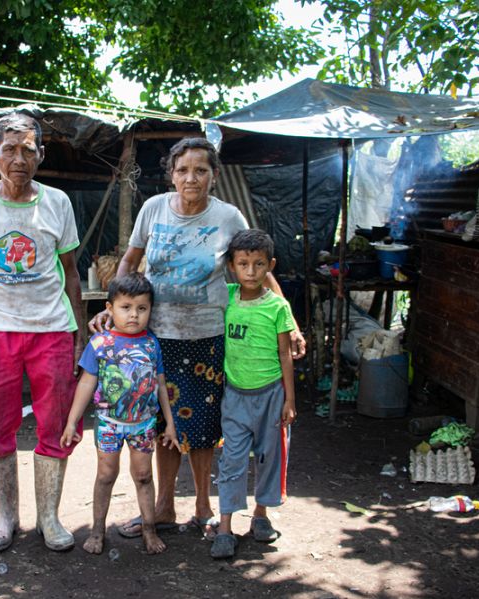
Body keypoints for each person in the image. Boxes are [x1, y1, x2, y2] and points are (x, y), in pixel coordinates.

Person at [89, 137, 306, 539]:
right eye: (183, 170)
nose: (192, 178)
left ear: (214, 176)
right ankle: (165, 507)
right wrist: (111, 304)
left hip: (208, 335)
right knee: (161, 423)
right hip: (158, 335)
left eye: (201, 170)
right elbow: (130, 261)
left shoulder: (228, 217)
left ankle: (204, 507)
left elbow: (254, 263)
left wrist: (288, 317)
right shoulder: (154, 209)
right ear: (171, 174)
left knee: (204, 426)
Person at [0, 112, 85, 553]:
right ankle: (5, 518)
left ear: (41, 155)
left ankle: (49, 518)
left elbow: (72, 272)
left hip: (52, 332)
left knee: (57, 425)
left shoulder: (58, 203)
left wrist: (80, 335)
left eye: (28, 150)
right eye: (10, 149)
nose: (18, 158)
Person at [61, 272, 181, 555]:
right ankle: (97, 531)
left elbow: (161, 385)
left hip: (143, 425)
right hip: (109, 425)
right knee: (105, 475)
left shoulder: (152, 344)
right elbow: (87, 383)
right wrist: (71, 421)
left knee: (143, 476)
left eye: (142, 308)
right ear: (110, 307)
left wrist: (171, 425)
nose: (134, 315)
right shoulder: (100, 344)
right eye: (126, 307)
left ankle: (149, 531)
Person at [210, 229, 296, 559]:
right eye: (243, 264)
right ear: (232, 266)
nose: (250, 271)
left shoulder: (277, 307)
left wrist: (290, 399)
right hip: (234, 397)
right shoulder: (226, 298)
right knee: (232, 460)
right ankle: (225, 527)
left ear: (269, 266)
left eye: (258, 264)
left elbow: (285, 355)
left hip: (272, 395)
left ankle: (261, 516)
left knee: (269, 457)